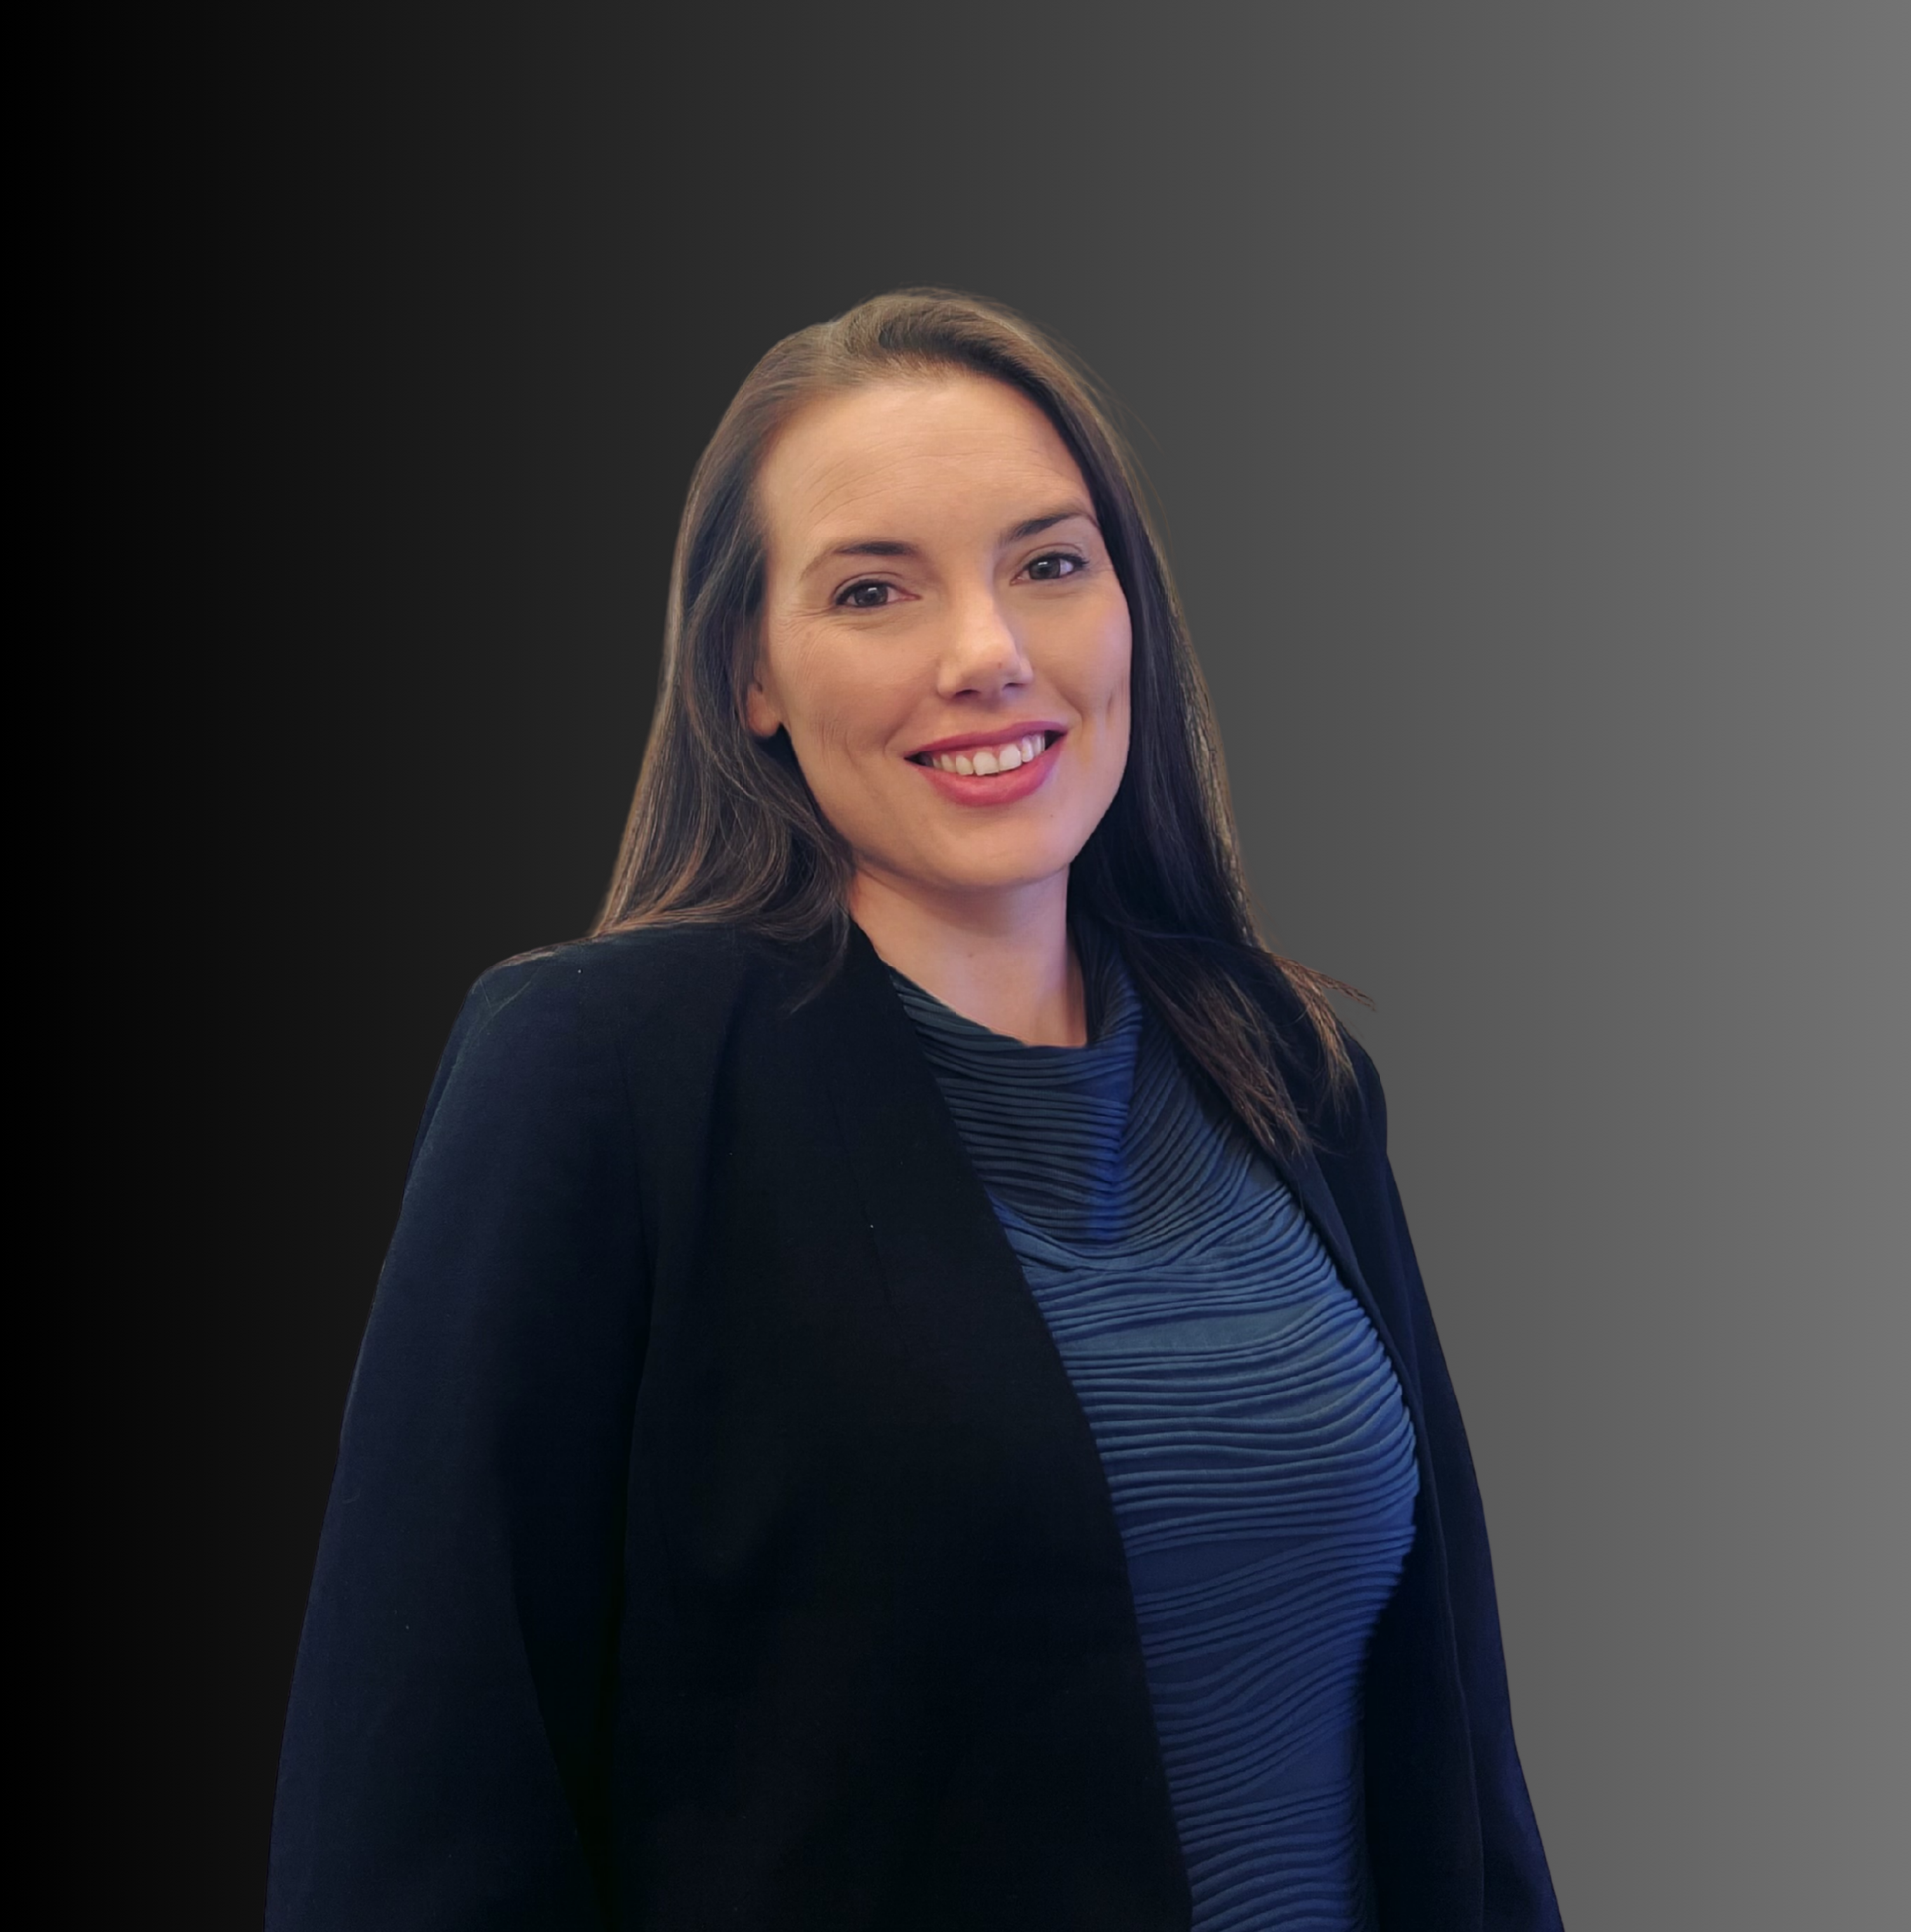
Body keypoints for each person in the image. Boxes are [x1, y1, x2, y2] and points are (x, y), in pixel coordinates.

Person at [268, 288, 1562, 1931]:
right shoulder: (596, 1070)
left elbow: (1459, 1757)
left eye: (1049, 563)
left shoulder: (1286, 1071)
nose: (987, 654)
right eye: (875, 589)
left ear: (1129, 612)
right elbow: (412, 1810)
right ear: (751, 672)